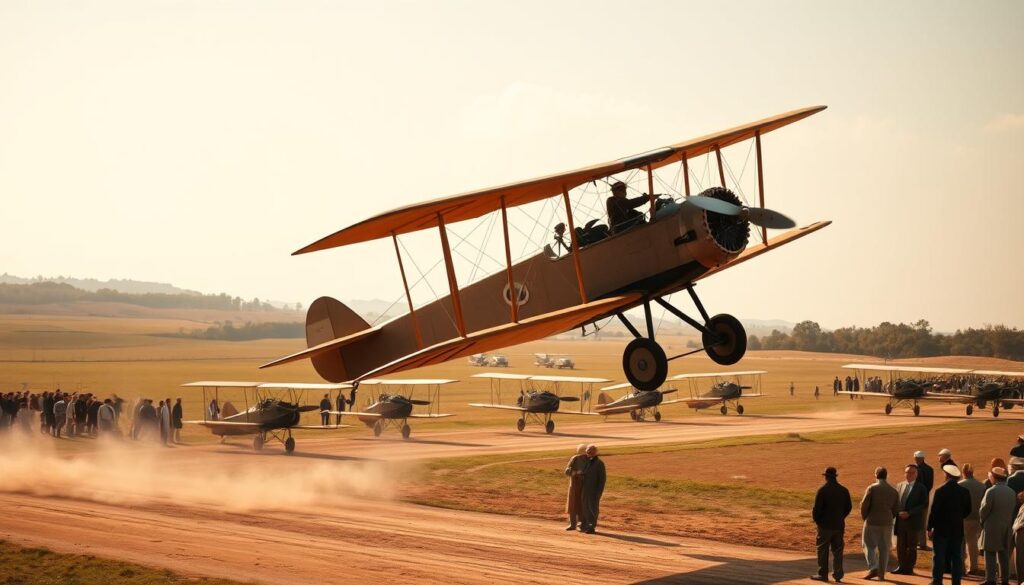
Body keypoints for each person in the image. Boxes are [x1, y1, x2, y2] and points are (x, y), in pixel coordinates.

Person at [927, 463, 971, 585]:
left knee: (939, 557)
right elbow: (968, 510)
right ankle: (956, 582)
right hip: (957, 529)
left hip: (941, 530)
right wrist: (958, 518)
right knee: (957, 557)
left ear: (947, 475)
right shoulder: (964, 491)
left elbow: (934, 511)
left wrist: (929, 527)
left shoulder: (940, 490)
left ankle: (937, 581)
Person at [811, 466, 851, 582]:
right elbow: (848, 507)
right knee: (838, 551)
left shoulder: (822, 490)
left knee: (822, 550)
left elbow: (816, 510)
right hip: (838, 526)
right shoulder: (844, 490)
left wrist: (818, 521)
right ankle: (838, 575)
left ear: (826, 477)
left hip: (824, 526)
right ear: (835, 477)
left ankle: (822, 574)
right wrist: (840, 517)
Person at [860, 466, 899, 580]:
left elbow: (864, 505)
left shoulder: (872, 488)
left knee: (868, 545)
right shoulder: (893, 490)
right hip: (887, 522)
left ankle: (873, 567)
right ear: (886, 476)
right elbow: (896, 508)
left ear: (876, 475)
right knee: (884, 548)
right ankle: (881, 574)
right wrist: (890, 517)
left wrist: (865, 517)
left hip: (872, 521)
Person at [980, 467, 1015, 585]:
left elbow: (984, 510)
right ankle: (1004, 579)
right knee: (1004, 554)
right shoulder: (1011, 492)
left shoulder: (991, 491)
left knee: (990, 553)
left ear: (994, 478)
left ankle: (990, 579)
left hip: (992, 526)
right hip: (1006, 525)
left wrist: (982, 521)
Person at [894, 463, 928, 575]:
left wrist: (909, 513)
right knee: (900, 546)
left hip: (913, 522)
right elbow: (896, 502)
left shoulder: (921, 488)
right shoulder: (899, 485)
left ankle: (909, 568)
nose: (909, 474)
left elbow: (923, 504)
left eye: (912, 472)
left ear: (916, 474)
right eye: (907, 472)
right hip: (900, 522)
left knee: (912, 547)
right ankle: (901, 566)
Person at [959, 463, 987, 577]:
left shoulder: (960, 484)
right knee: (973, 543)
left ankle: (961, 567)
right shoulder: (981, 486)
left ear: (963, 472)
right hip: (976, 518)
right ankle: (973, 566)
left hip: (963, 518)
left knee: (961, 543)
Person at [579, 444, 606, 534]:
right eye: (587, 450)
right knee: (585, 508)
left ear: (595, 452)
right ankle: (586, 525)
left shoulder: (599, 464)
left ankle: (591, 526)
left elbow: (602, 480)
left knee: (593, 508)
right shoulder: (588, 462)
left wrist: (598, 493)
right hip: (585, 490)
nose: (588, 452)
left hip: (593, 491)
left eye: (591, 450)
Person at [563, 444, 588, 531]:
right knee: (572, 505)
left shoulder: (590, 460)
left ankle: (581, 524)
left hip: (585, 486)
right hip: (574, 485)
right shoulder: (575, 459)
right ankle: (572, 524)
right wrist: (575, 472)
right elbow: (567, 471)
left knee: (582, 505)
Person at [914, 450, 935, 550]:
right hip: (925, 498)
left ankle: (919, 542)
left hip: (917, 499)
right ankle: (922, 542)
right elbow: (930, 485)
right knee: (923, 521)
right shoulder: (930, 469)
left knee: (916, 520)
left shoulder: (916, 469)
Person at [1014, 492, 1024, 585]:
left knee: (1020, 559)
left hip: (1021, 532)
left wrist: (1016, 528)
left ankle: (1020, 581)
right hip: (1019, 531)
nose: (1019, 500)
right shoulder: (1022, 506)